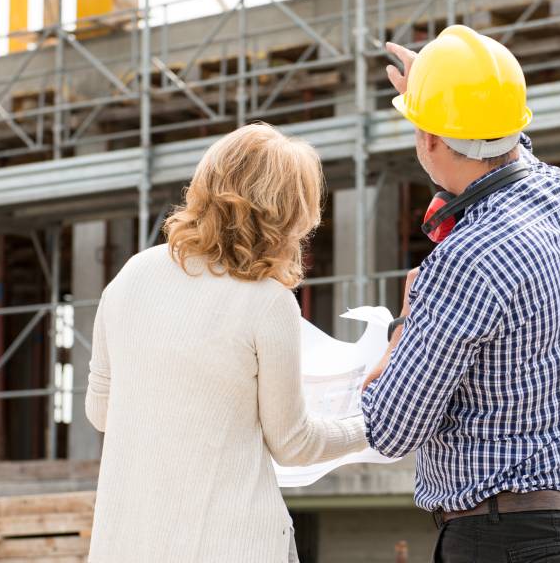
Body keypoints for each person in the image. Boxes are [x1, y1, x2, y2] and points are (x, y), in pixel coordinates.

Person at [361, 25, 560, 562]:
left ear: (429, 139)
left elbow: (390, 429)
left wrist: (404, 329)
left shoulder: (465, 259)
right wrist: (451, 89)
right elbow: (507, 146)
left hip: (507, 539)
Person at [84, 123, 368, 562]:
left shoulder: (131, 276)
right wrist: (371, 425)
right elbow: (294, 445)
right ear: (290, 213)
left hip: (129, 542)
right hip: (234, 544)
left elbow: (101, 411)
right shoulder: (268, 302)